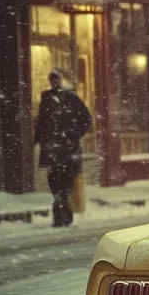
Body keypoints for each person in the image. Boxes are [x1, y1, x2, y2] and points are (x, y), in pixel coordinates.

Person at [34, 69, 92, 227]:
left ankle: (62, 214)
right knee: (54, 182)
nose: (54, 83)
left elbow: (86, 119)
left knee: (66, 183)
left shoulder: (71, 98)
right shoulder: (46, 99)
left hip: (68, 149)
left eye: (57, 80)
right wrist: (40, 140)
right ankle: (61, 211)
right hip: (52, 149)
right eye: (52, 80)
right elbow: (41, 121)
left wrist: (73, 134)